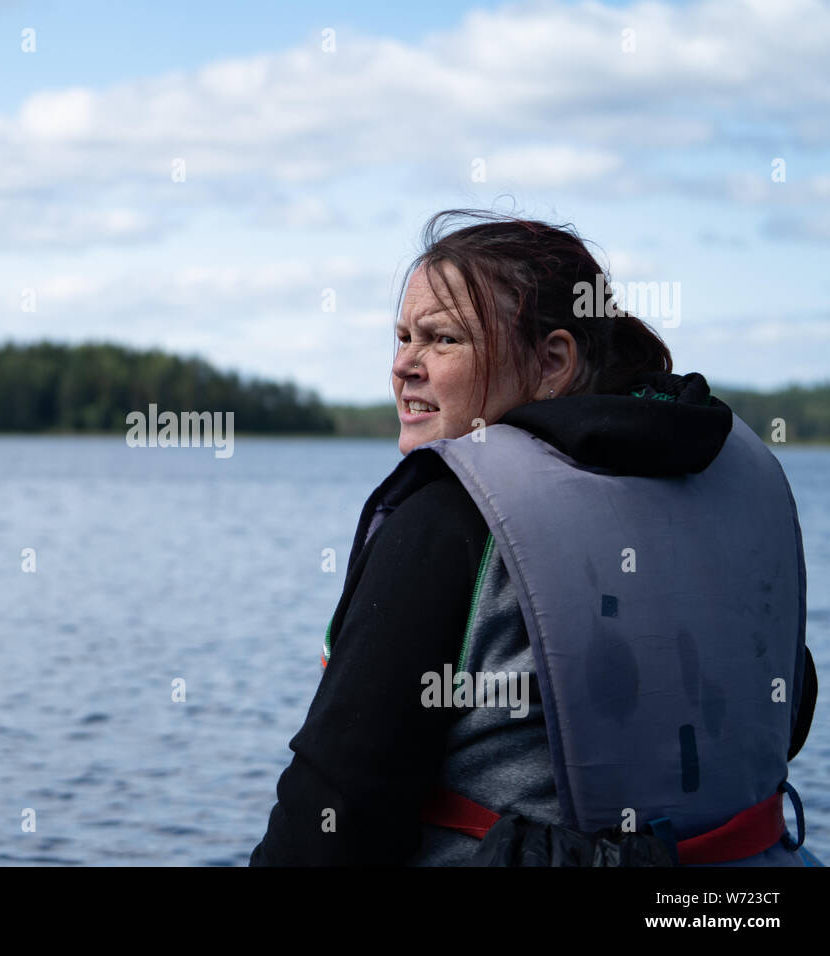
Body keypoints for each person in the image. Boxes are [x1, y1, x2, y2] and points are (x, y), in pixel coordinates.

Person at [249, 209, 817, 866]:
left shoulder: (448, 515)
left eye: (442, 340)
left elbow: (333, 812)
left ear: (553, 361)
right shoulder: (738, 479)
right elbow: (786, 714)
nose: (404, 365)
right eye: (401, 337)